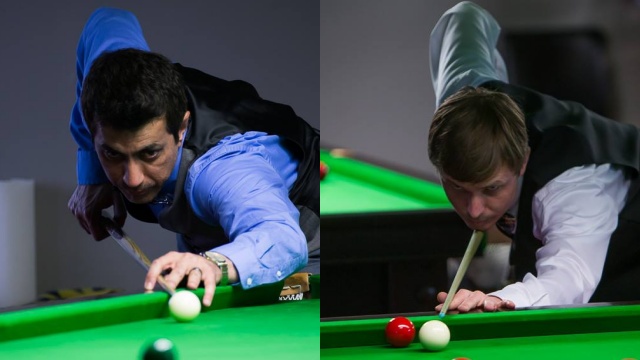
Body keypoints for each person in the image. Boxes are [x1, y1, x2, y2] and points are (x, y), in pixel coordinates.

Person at [67, 7, 320, 307]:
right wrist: (92, 173)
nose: (131, 179)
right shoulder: (117, 76)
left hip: (304, 242)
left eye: (150, 152)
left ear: (181, 128)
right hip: (208, 237)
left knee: (280, 304)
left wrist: (215, 264)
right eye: (113, 153)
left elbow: (282, 239)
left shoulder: (223, 170)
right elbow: (108, 19)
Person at [428, 1, 640, 313]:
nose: (473, 211)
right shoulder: (460, 102)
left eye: (491, 189)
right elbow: (462, 17)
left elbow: (568, 278)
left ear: (523, 161)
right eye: (457, 187)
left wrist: (501, 298)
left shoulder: (571, 186)